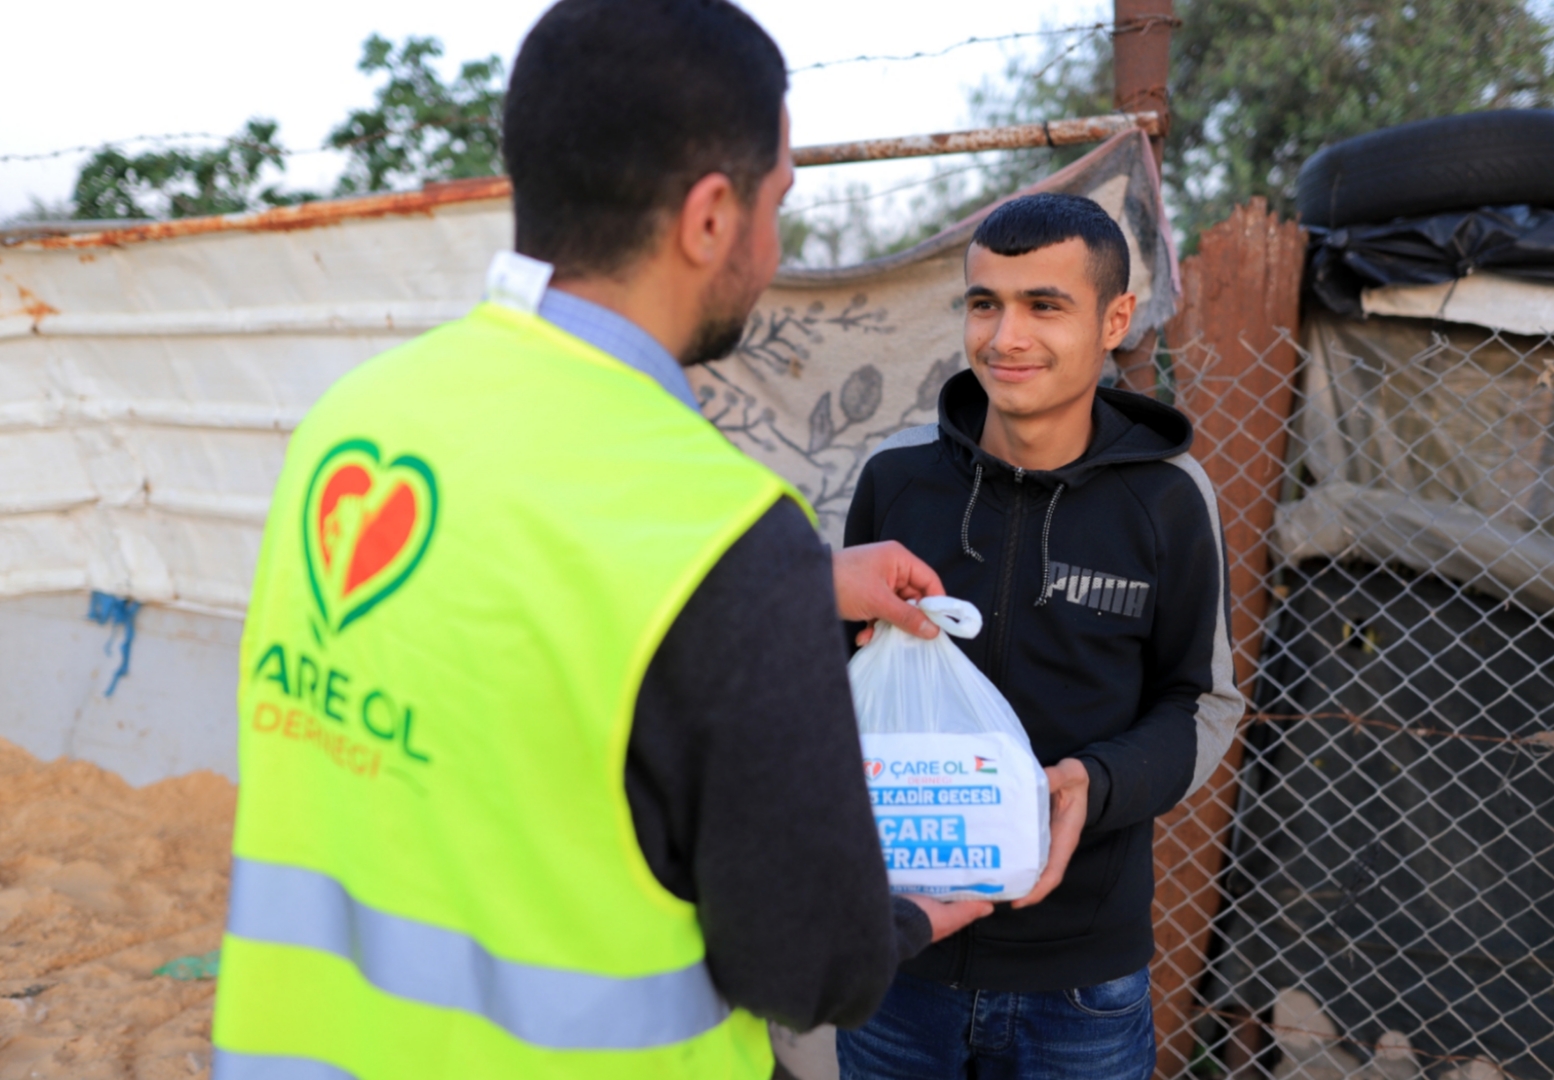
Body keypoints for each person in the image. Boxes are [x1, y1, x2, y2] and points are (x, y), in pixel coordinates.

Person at [209, 2, 991, 1078]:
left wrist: (790, 593)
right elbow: (811, 972)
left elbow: (524, 647)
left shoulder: (354, 424)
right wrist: (908, 918)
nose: (774, 247)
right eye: (778, 204)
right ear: (710, 217)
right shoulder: (716, 532)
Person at [838, 192, 1244, 1080]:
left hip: (1080, 983)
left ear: (1115, 320)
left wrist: (1088, 787)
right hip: (899, 957)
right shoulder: (895, 482)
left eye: (1043, 306)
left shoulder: (1170, 499)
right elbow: (834, 685)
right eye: (985, 303)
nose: (1003, 337)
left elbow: (1198, 702)